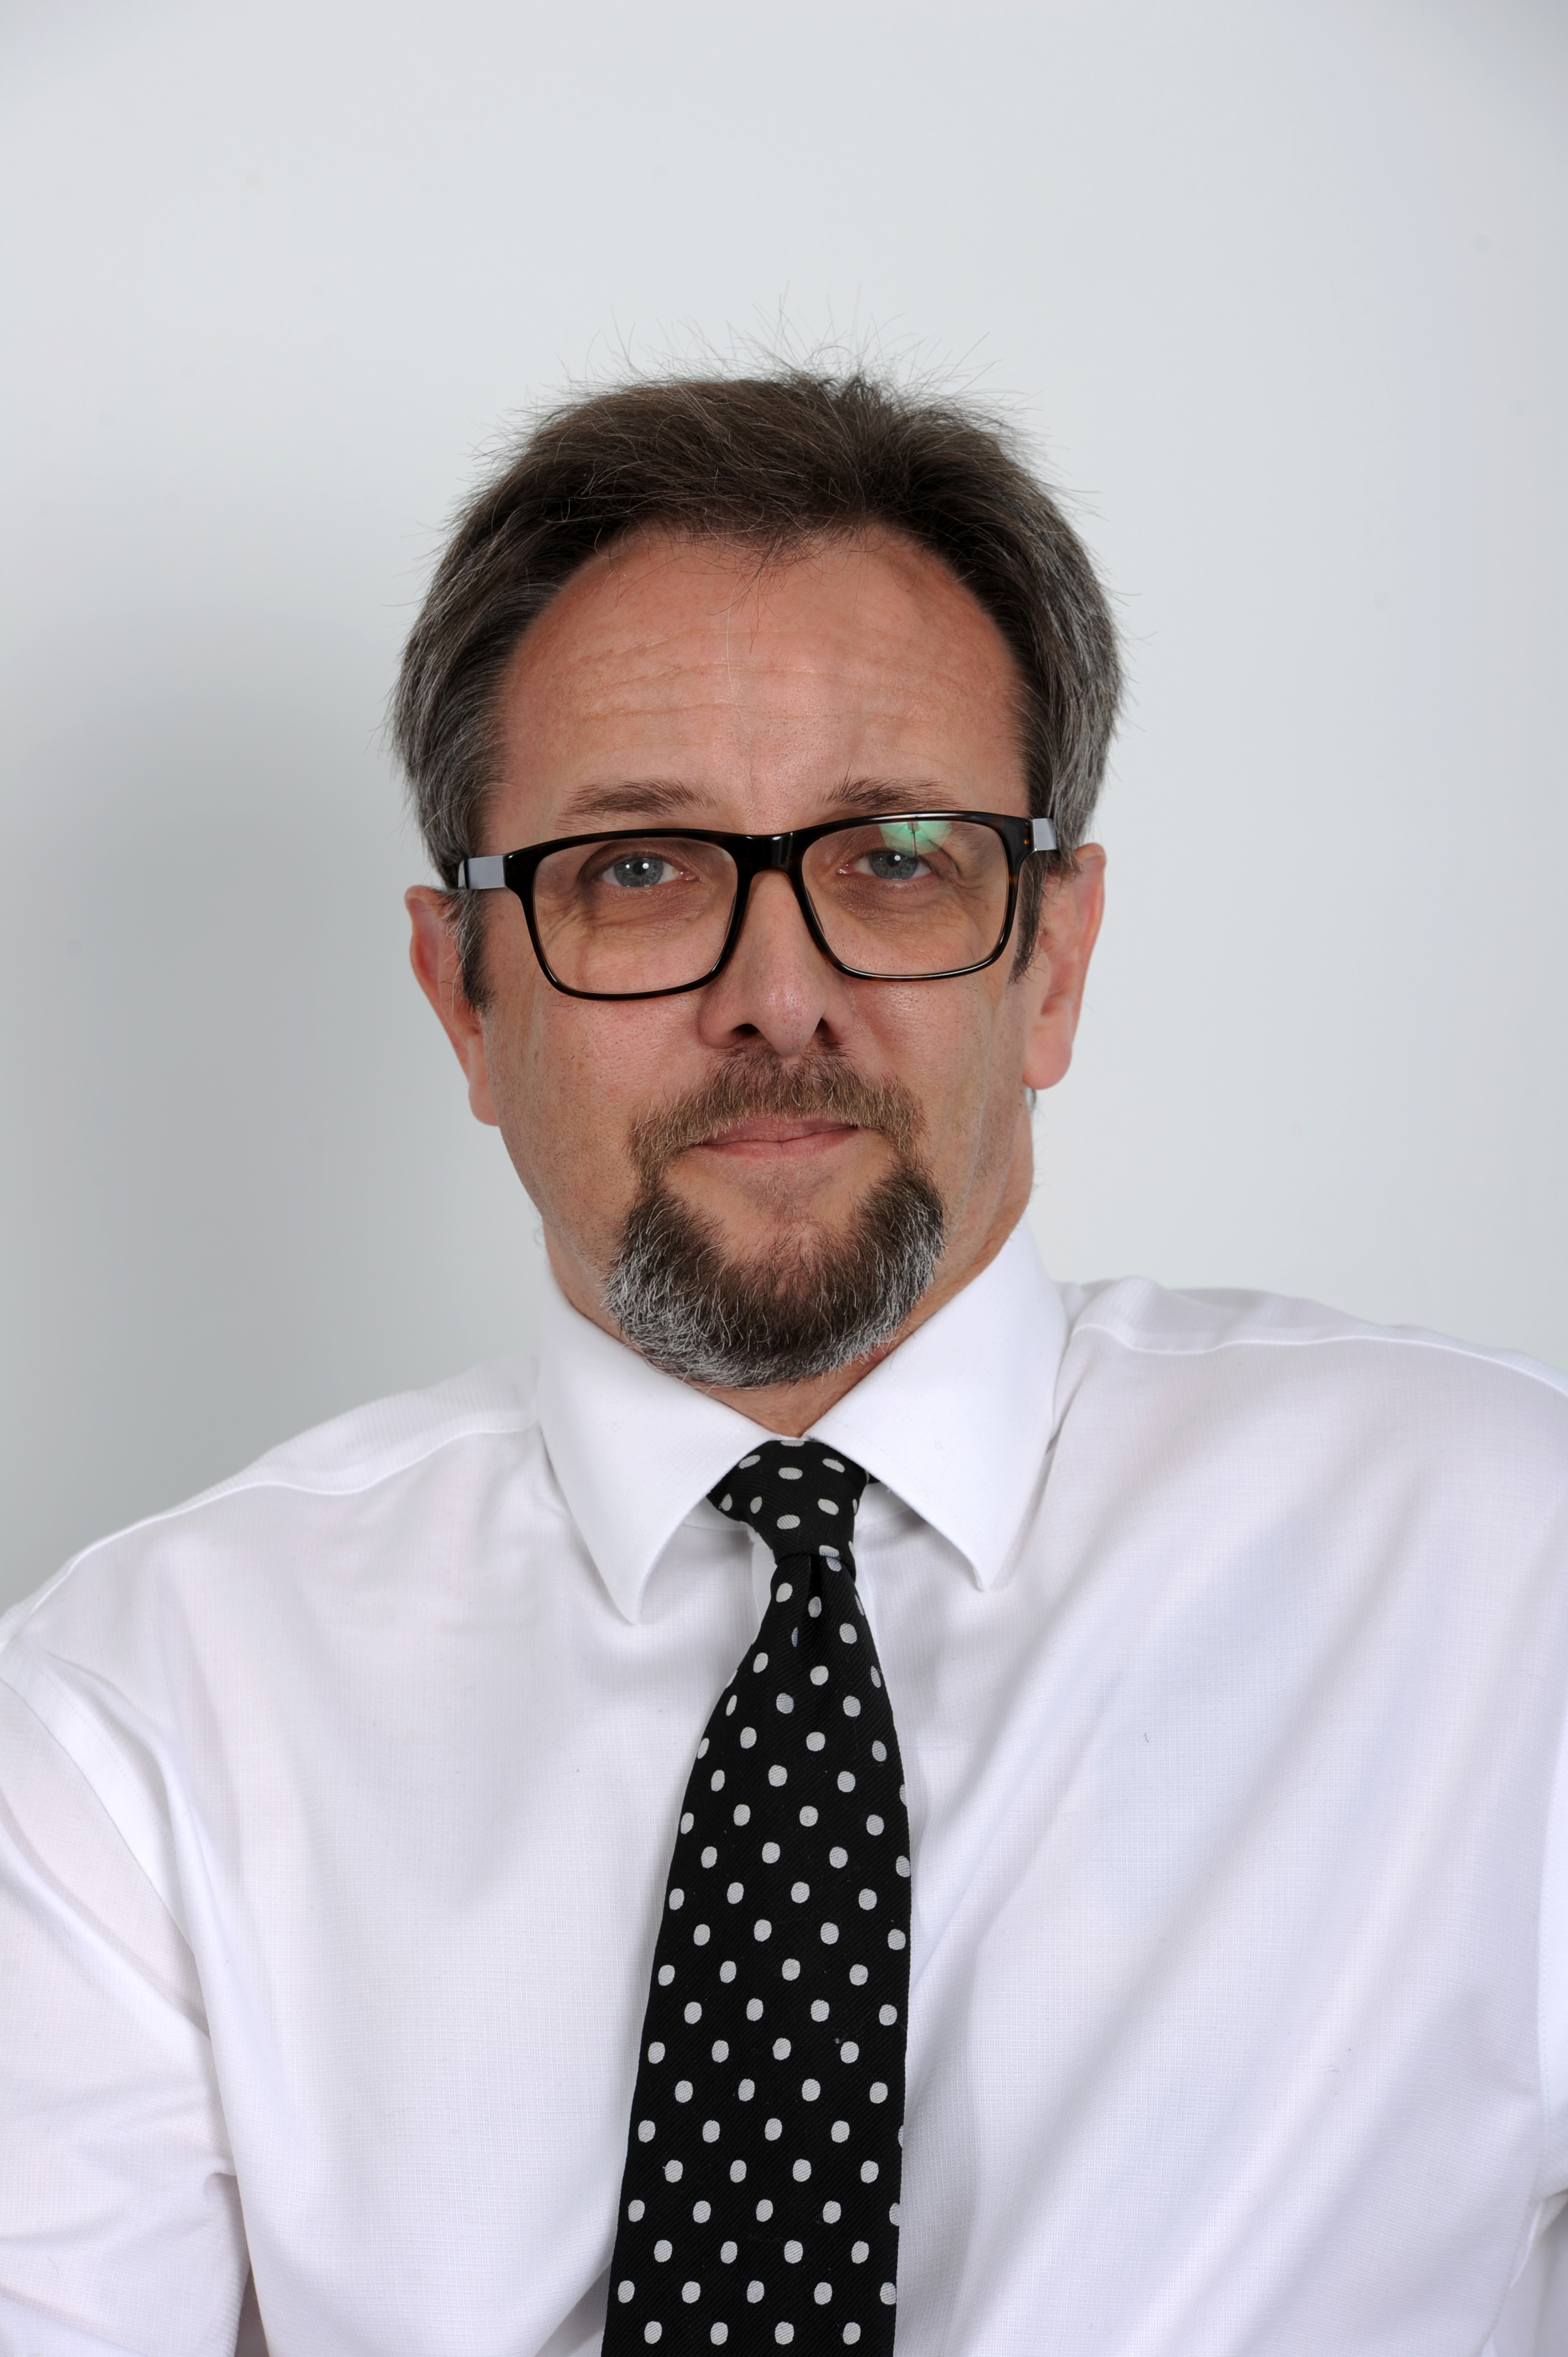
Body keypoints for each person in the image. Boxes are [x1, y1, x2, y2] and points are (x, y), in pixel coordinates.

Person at [1, 371, 1565, 2357]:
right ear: (463, 998)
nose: (777, 995)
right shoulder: (138, 1716)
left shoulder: (1512, 1571)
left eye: (897, 855)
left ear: (1054, 960)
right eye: (637, 871)